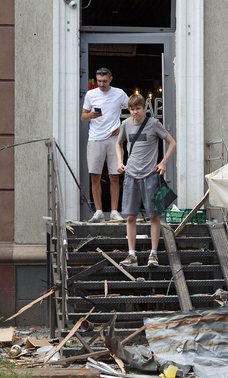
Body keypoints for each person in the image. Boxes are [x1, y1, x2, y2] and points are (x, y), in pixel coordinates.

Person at [116, 94, 177, 267]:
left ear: (144, 108)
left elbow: (172, 142)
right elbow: (118, 143)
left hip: (150, 175)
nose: (135, 112)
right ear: (129, 110)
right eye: (132, 109)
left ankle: (154, 254)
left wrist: (163, 163)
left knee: (154, 216)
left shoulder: (154, 124)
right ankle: (132, 255)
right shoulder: (126, 125)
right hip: (131, 176)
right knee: (130, 217)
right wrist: (120, 162)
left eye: (138, 109)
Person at [81, 67, 129, 223]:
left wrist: (123, 126)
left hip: (114, 139)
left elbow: (135, 109)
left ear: (111, 79)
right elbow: (83, 117)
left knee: (114, 176)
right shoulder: (90, 94)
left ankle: (115, 211)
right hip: (95, 138)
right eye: (99, 81)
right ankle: (99, 212)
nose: (101, 84)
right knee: (95, 176)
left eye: (104, 81)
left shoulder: (119, 93)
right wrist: (90, 115)